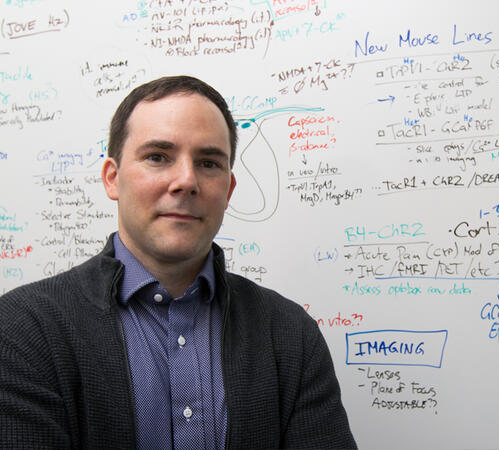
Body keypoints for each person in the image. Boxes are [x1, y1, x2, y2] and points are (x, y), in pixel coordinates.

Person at [0, 75, 356, 449]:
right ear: (112, 179)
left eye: (208, 163)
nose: (186, 180)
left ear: (228, 190)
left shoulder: (289, 335)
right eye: (157, 157)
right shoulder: (23, 331)